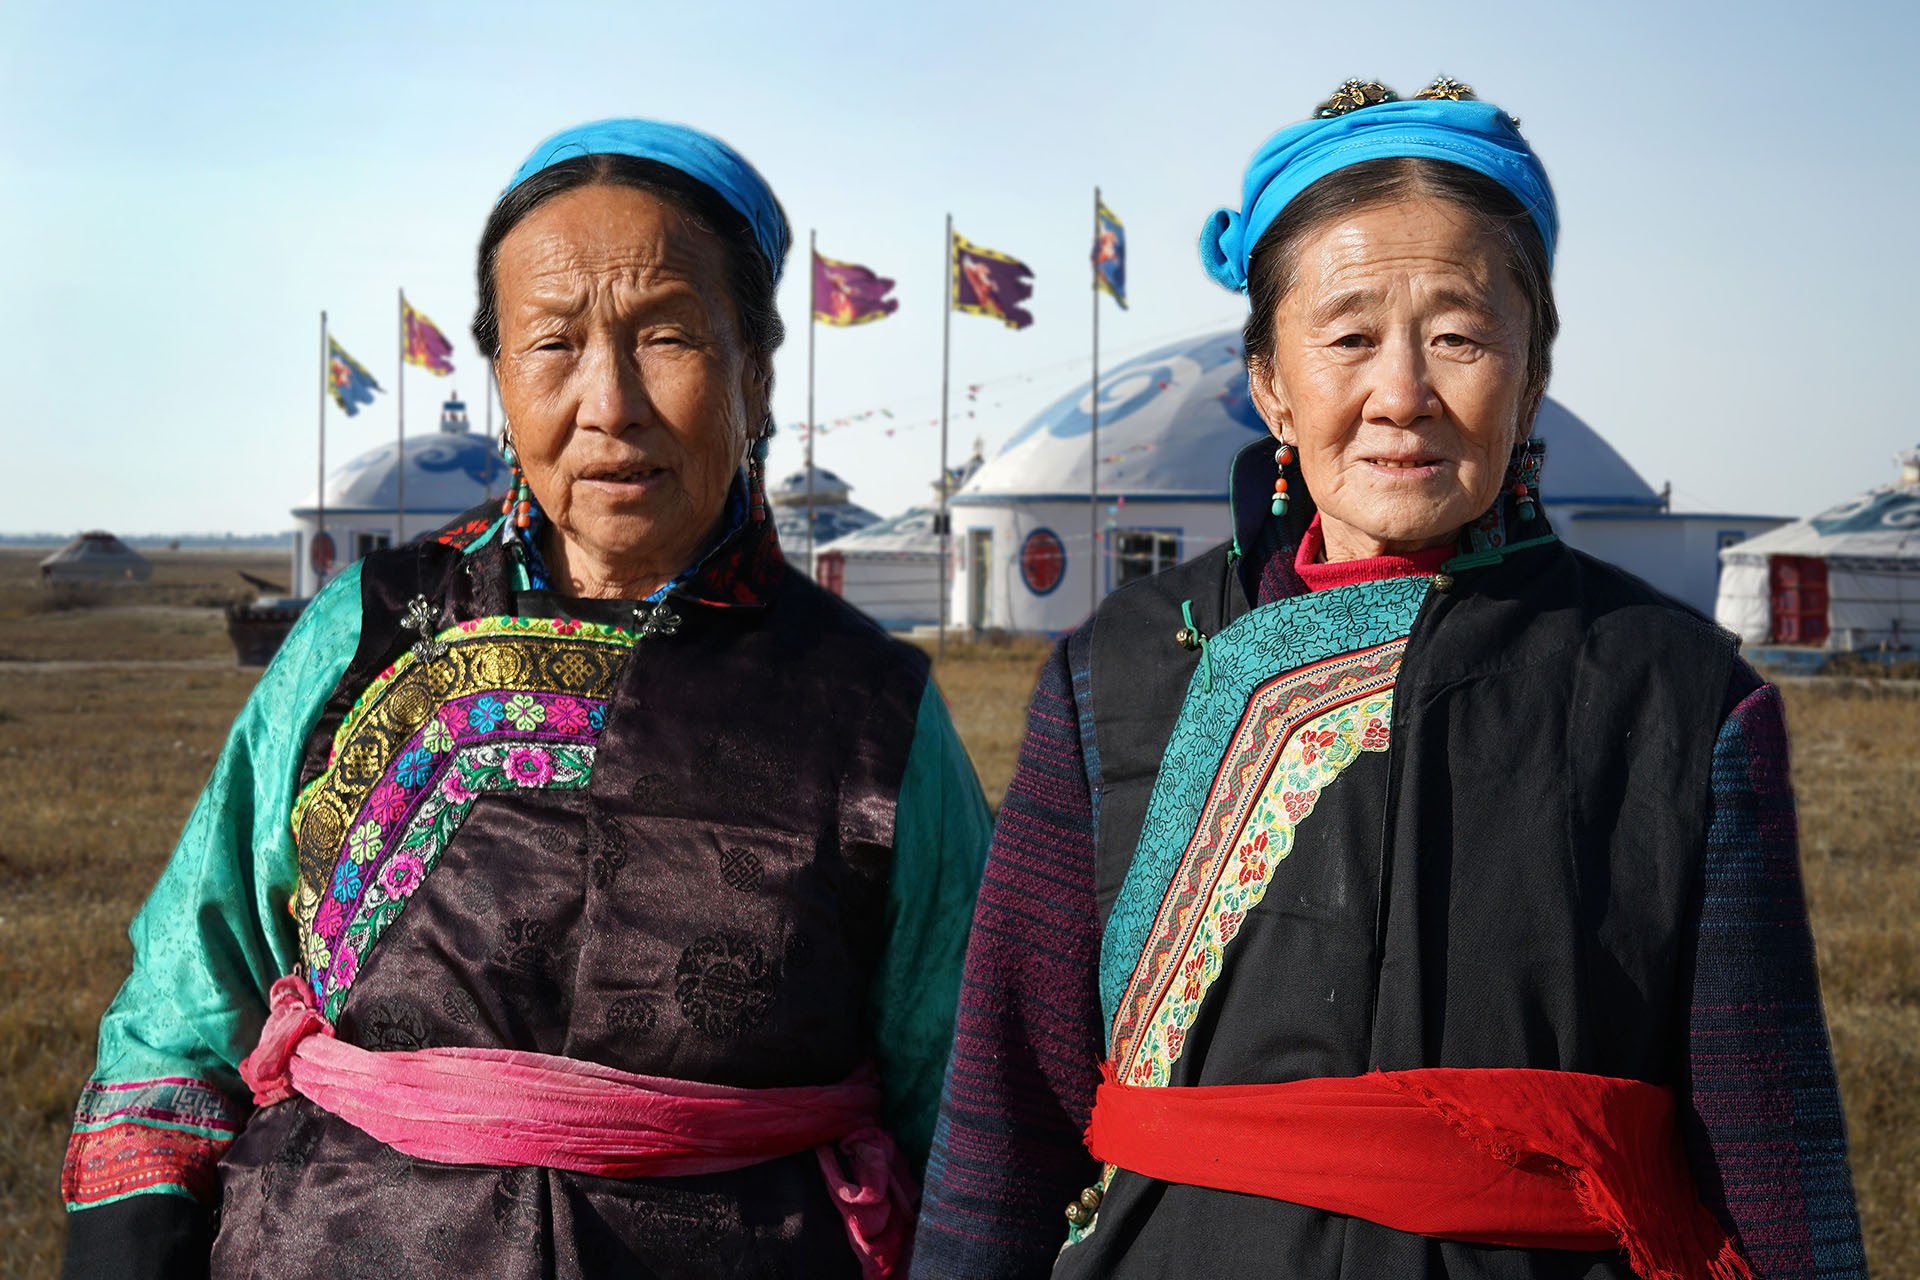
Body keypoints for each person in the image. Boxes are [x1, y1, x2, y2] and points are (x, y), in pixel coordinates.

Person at [911, 79, 1866, 1280]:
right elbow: (1007, 1117)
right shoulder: (1113, 673)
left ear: (1529, 374)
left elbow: (1771, 1153)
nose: (1402, 393)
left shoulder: (1682, 695)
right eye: (1349, 335)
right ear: (1269, 379)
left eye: (1460, 335)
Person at [61, 118, 991, 1280]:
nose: (610, 402)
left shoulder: (868, 705)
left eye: (666, 337)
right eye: (552, 344)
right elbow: (188, 993)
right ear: (499, 376)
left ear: (755, 368)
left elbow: (965, 1081)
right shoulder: (361, 637)